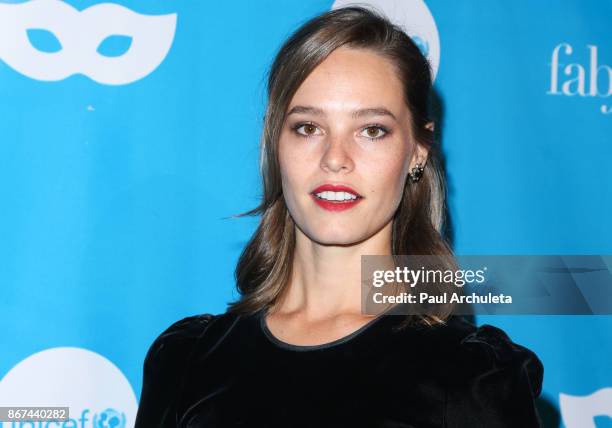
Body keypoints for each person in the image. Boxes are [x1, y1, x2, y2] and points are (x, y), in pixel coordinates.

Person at [134, 6, 544, 427]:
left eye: (371, 130)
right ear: (275, 143)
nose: (335, 159)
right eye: (308, 127)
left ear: (418, 152)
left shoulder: (472, 380)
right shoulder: (188, 361)